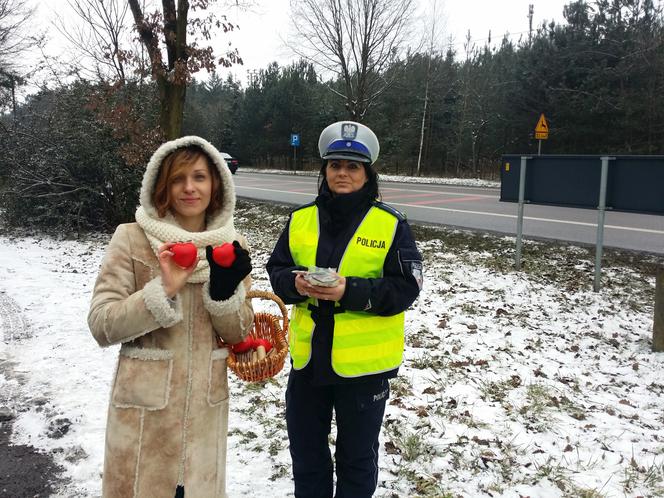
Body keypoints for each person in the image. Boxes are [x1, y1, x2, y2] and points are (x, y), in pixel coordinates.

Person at [88, 136, 254, 498]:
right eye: (178, 179)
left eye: (199, 177)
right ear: (161, 185)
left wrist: (224, 292)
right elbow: (102, 324)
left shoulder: (231, 245)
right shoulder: (131, 239)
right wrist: (162, 290)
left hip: (205, 420)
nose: (189, 188)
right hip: (144, 420)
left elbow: (241, 331)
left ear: (217, 184)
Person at [266, 121, 423, 498]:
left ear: (367, 174)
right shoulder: (300, 219)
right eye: (335, 165)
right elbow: (277, 270)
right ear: (325, 172)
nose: (342, 173)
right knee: (306, 456)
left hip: (363, 371)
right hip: (307, 364)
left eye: (352, 166)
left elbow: (407, 288)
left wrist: (349, 290)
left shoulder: (390, 224)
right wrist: (295, 284)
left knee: (356, 461)